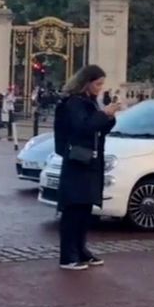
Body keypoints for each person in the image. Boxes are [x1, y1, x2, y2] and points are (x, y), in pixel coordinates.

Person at [54, 65, 119, 270]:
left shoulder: (89, 101)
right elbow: (82, 127)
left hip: (90, 159)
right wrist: (104, 114)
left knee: (84, 208)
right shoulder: (74, 102)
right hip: (77, 160)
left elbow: (98, 129)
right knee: (73, 208)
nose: (100, 88)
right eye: (98, 84)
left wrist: (109, 117)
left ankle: (80, 249)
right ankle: (68, 255)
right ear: (87, 83)